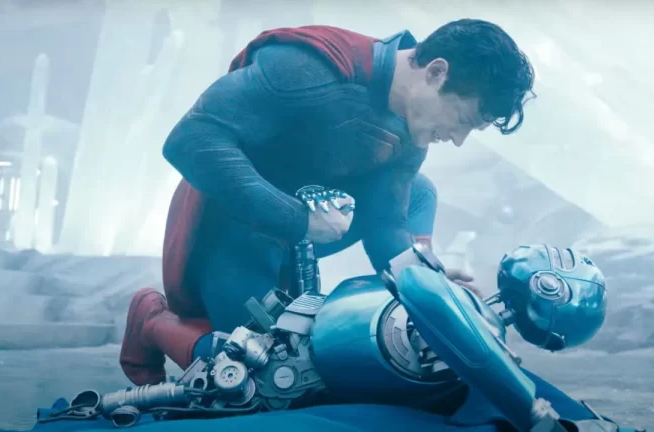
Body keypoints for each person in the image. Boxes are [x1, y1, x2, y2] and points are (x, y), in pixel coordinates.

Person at [119, 19, 536, 386]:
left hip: (304, 232)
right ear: (436, 72)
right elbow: (190, 139)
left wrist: (432, 287)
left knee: (419, 192)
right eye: (462, 121)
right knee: (266, 374)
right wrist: (298, 220)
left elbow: (387, 225)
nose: (458, 140)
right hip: (235, 231)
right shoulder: (309, 68)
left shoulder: (412, 127)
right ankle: (152, 322)